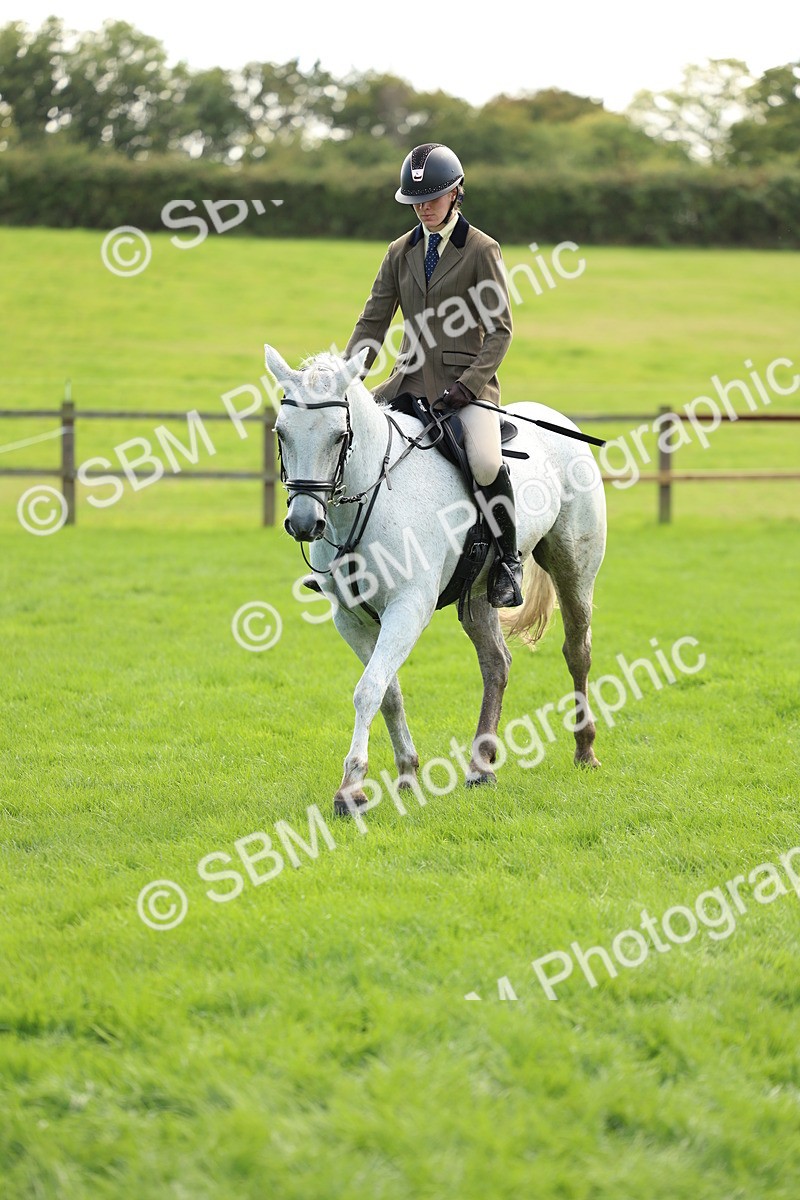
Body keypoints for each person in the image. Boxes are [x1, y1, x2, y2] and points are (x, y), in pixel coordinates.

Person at [344, 143, 523, 608]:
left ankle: (507, 561)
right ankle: (342, 562)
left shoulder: (482, 250)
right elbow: (373, 322)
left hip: (467, 389)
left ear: (456, 193)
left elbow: (501, 332)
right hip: (406, 384)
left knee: (484, 461)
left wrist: (469, 385)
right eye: (416, 201)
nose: (424, 207)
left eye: (433, 198)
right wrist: (347, 378)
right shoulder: (399, 251)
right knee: (351, 444)